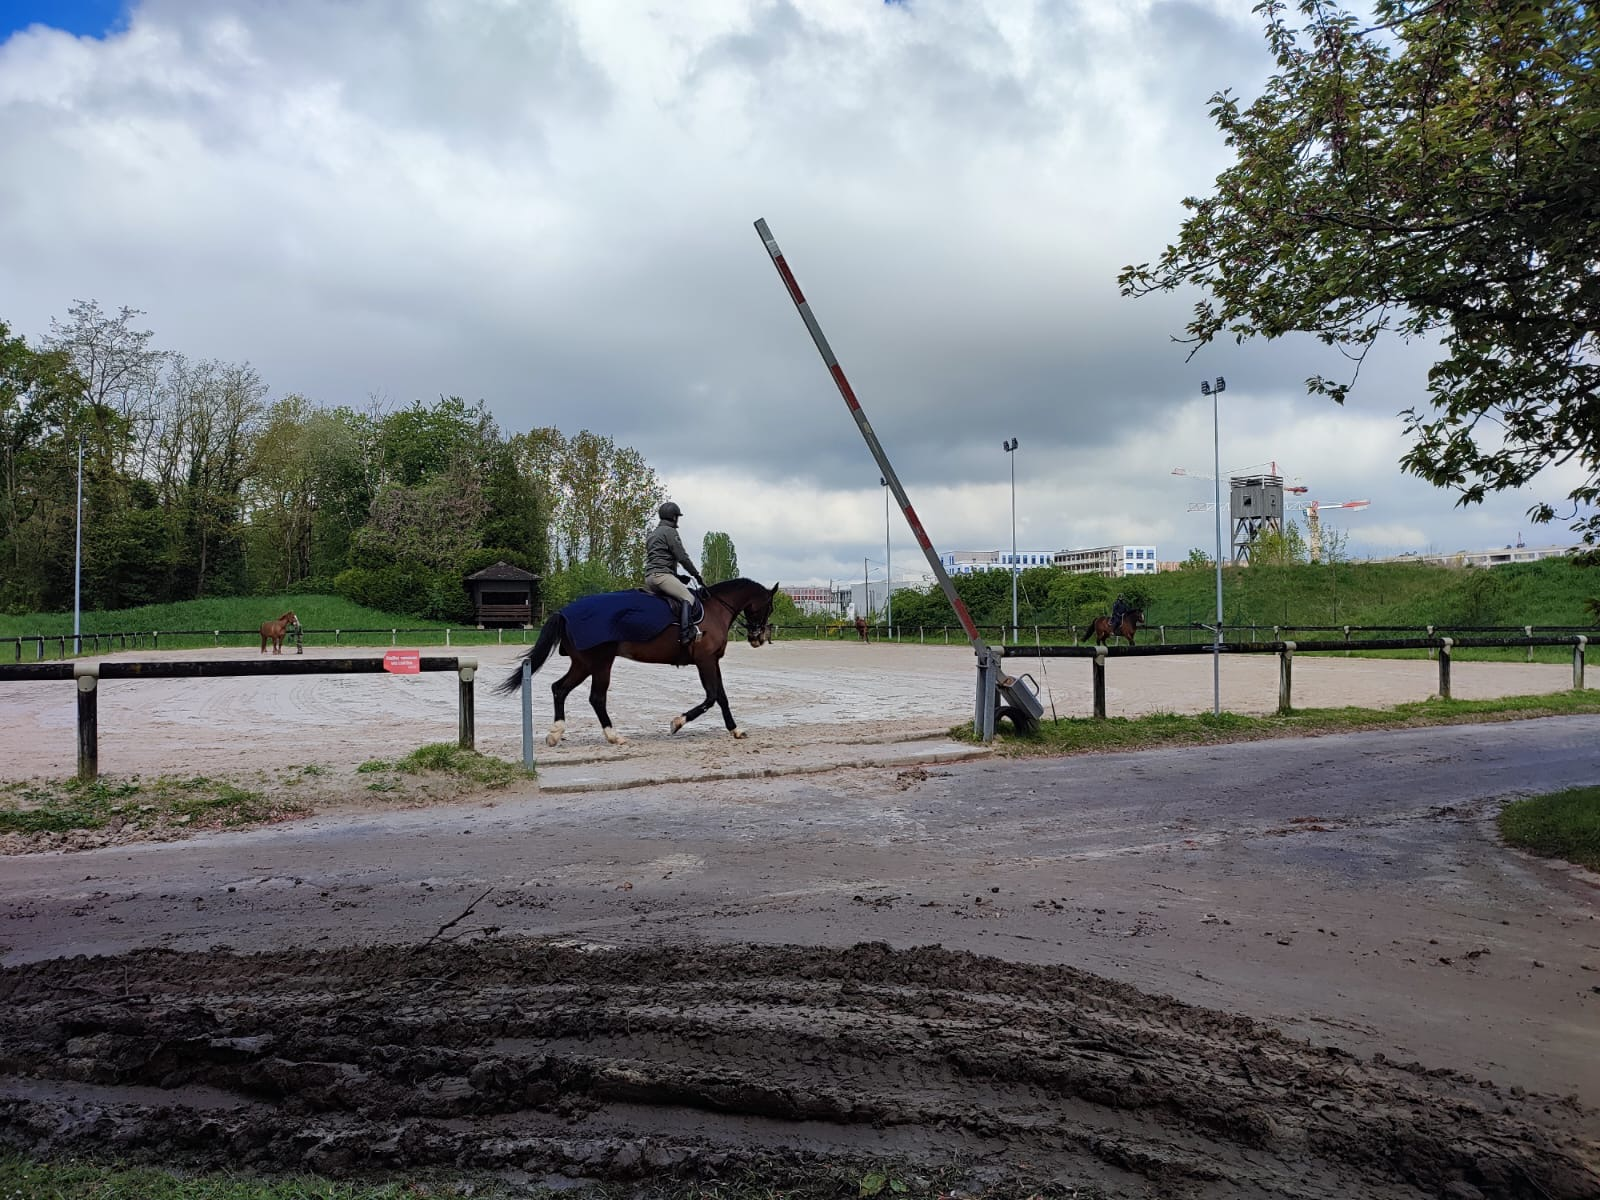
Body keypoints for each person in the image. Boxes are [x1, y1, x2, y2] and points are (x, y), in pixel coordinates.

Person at [645, 501, 706, 643]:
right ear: (673, 517)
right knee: (688, 598)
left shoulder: (653, 534)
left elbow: (660, 559)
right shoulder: (670, 532)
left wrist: (677, 577)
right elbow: (682, 557)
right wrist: (696, 575)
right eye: (677, 517)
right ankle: (686, 634)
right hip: (662, 576)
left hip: (650, 577)